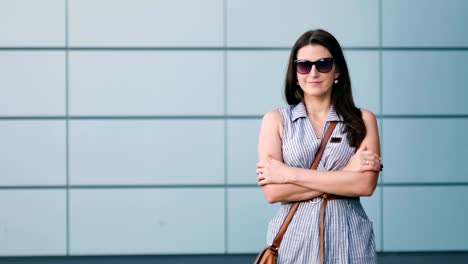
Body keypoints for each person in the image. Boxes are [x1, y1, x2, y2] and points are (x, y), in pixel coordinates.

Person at [256, 29, 382, 264]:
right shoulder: (275, 120)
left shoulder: (363, 120)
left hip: (350, 241)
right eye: (304, 65)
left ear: (337, 69)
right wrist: (345, 176)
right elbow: (273, 192)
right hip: (294, 242)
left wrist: (288, 174)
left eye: (323, 64)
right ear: (295, 72)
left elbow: (365, 185)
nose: (313, 72)